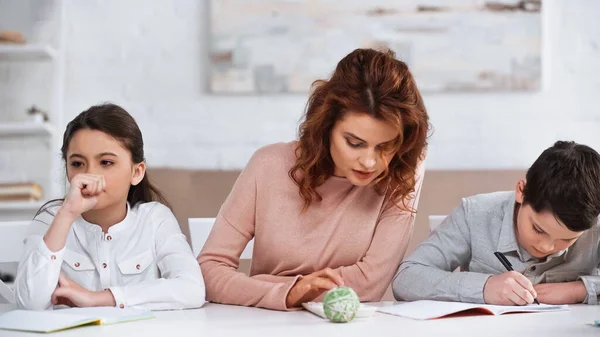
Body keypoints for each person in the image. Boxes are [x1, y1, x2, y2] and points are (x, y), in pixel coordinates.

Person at [198, 48, 429, 310]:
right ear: (326, 127)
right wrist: (291, 292)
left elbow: (369, 285)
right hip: (267, 326)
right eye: (354, 143)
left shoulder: (401, 173)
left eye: (385, 146)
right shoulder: (268, 165)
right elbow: (208, 271)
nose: (370, 162)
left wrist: (268, 286)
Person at [15, 103, 206, 310]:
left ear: (137, 172)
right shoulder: (51, 218)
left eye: (106, 162)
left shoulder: (155, 219)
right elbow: (30, 303)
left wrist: (98, 298)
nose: (89, 176)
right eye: (77, 164)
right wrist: (67, 214)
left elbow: (192, 289)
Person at [393, 141, 600, 305]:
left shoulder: (594, 226)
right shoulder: (475, 213)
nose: (546, 247)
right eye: (538, 229)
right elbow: (406, 278)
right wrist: (484, 287)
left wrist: (579, 290)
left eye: (566, 239)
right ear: (521, 191)